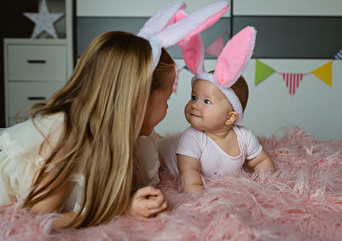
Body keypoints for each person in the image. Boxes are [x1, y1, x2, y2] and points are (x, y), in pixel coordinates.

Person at [0, 31, 173, 228]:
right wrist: (121, 210)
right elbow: (36, 221)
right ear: (137, 101)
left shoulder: (128, 136)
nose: (167, 107)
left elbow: (168, 145)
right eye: (167, 99)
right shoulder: (67, 139)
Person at [175, 26, 275, 193]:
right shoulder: (192, 137)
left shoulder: (244, 137)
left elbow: (260, 161)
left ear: (230, 118)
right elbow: (189, 171)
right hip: (166, 155)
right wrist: (196, 194)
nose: (194, 104)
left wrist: (265, 185)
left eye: (206, 101)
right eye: (193, 97)